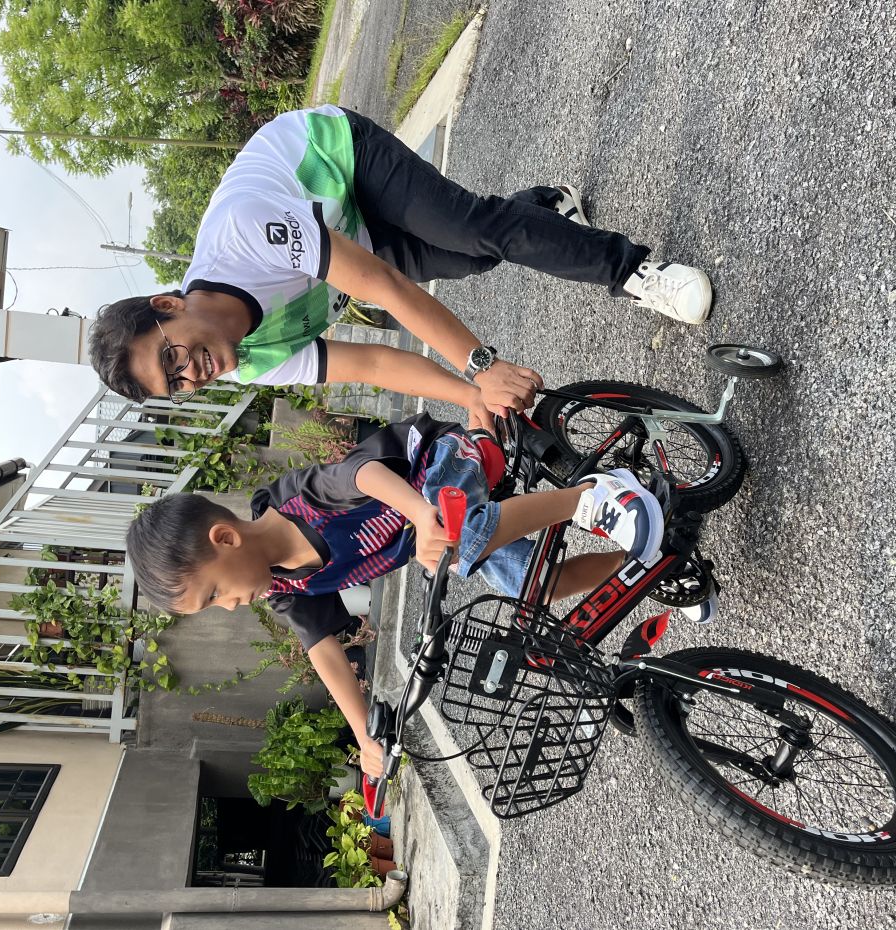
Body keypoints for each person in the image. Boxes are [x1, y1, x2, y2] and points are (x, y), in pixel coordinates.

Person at [89, 105, 713, 427]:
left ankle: (635, 272)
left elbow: (382, 286)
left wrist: (483, 364)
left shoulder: (240, 236)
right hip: (348, 241)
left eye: (171, 356)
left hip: (339, 163)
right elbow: (378, 363)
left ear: (168, 307)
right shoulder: (252, 362)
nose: (191, 373)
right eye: (177, 385)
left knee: (471, 225)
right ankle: (547, 211)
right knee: (475, 258)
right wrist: (473, 395)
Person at [125, 411, 665, 778]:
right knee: (538, 587)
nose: (231, 605)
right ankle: (646, 558)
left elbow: (362, 475)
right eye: (216, 605)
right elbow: (323, 652)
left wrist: (419, 514)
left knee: (458, 544)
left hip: (439, 464)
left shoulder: (298, 501)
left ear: (226, 537)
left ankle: (593, 495)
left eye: (216, 592)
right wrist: (365, 736)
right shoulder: (286, 587)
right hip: (434, 527)